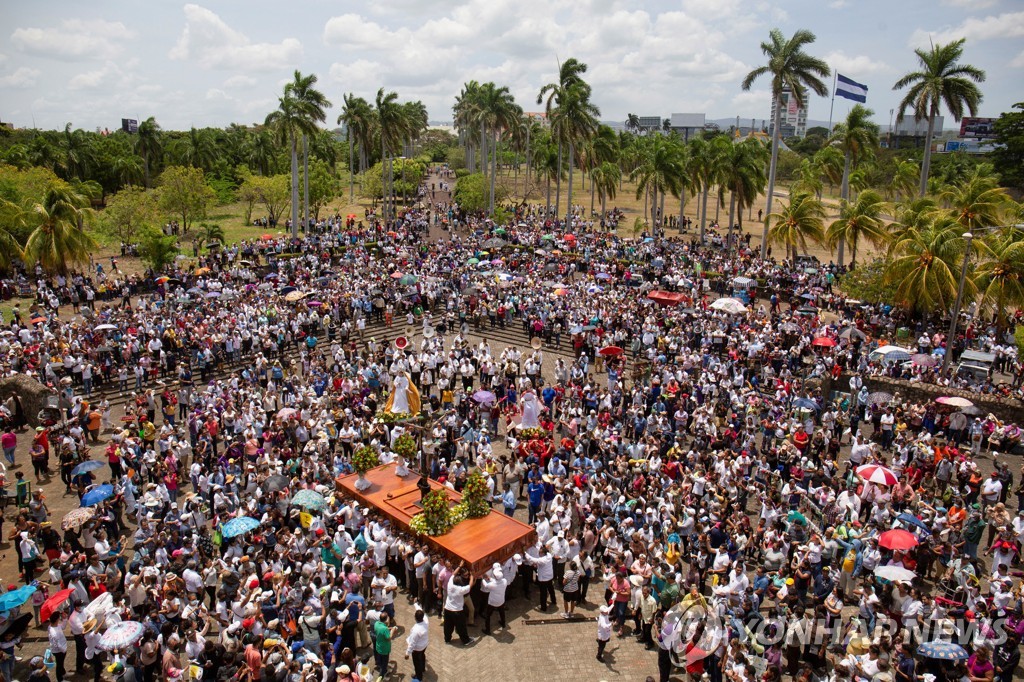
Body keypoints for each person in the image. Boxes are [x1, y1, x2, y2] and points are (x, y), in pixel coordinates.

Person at [442, 564, 474, 645]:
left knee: (448, 626)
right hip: (457, 611)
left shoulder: (450, 584)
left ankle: (447, 639)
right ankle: (466, 640)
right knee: (461, 627)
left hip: (447, 609)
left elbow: (453, 574)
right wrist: (472, 576)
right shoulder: (460, 589)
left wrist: (459, 566)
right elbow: (469, 586)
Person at [404, 607, 429, 682]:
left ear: (415, 618)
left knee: (416, 663)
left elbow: (412, 643)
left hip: (417, 649)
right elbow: (420, 610)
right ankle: (423, 668)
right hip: (424, 645)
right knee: (422, 656)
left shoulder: (416, 630)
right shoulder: (426, 621)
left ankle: (419, 676)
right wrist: (416, 604)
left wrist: (407, 653)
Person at [373, 611, 396, 680]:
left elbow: (380, 631)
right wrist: (392, 631)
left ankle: (380, 666)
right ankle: (382, 675)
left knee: (380, 659)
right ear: (386, 619)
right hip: (384, 649)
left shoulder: (376, 623)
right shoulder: (385, 629)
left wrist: (388, 628)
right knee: (384, 663)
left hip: (378, 646)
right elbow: (389, 638)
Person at [48, 612, 68, 682]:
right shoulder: (54, 632)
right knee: (59, 665)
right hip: (59, 651)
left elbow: (63, 627)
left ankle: (63, 673)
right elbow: (57, 644)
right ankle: (60, 679)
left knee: (61, 663)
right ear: (57, 619)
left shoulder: (53, 626)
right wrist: (64, 650)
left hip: (61, 649)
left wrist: (65, 619)